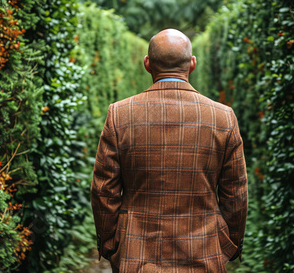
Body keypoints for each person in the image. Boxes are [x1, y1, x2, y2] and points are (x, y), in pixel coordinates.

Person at [91, 28, 248, 272]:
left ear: (147, 64)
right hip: (204, 253)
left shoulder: (120, 115)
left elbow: (104, 192)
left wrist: (110, 245)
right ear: (192, 64)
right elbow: (235, 193)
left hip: (136, 255)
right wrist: (228, 245)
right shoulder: (223, 117)